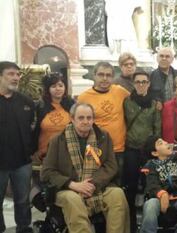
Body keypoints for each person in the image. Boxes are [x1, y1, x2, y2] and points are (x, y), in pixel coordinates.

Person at [41, 103, 130, 233]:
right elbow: (47, 172)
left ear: (93, 119)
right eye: (81, 118)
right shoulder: (57, 140)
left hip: (97, 186)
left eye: (89, 118)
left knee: (117, 195)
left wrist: (92, 184)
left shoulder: (103, 137)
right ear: (72, 119)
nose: (85, 121)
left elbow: (111, 165)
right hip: (68, 188)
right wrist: (72, 184)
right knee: (73, 200)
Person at [78, 61, 130, 184]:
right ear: (94, 76)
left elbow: (136, 100)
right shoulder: (84, 97)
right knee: (96, 183)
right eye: (101, 74)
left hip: (119, 149)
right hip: (96, 150)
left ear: (113, 77)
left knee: (118, 184)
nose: (105, 78)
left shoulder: (120, 91)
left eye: (108, 75)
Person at [123, 71, 161, 233]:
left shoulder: (154, 104)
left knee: (149, 187)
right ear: (133, 83)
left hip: (147, 153)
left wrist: (154, 150)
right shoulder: (126, 102)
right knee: (130, 188)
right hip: (130, 149)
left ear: (149, 84)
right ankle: (130, 225)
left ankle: (148, 225)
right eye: (137, 82)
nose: (140, 84)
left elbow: (157, 128)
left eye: (144, 82)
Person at [0, 61, 34, 233]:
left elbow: (32, 130)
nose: (16, 78)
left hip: (22, 162)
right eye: (10, 74)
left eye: (17, 74)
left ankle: (24, 227)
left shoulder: (27, 102)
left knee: (22, 200)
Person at [34, 72, 75, 162]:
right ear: (48, 89)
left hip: (69, 153)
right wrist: (34, 151)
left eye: (60, 85)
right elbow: (35, 131)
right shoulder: (40, 106)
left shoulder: (72, 105)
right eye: (53, 86)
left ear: (65, 87)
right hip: (45, 154)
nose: (58, 89)